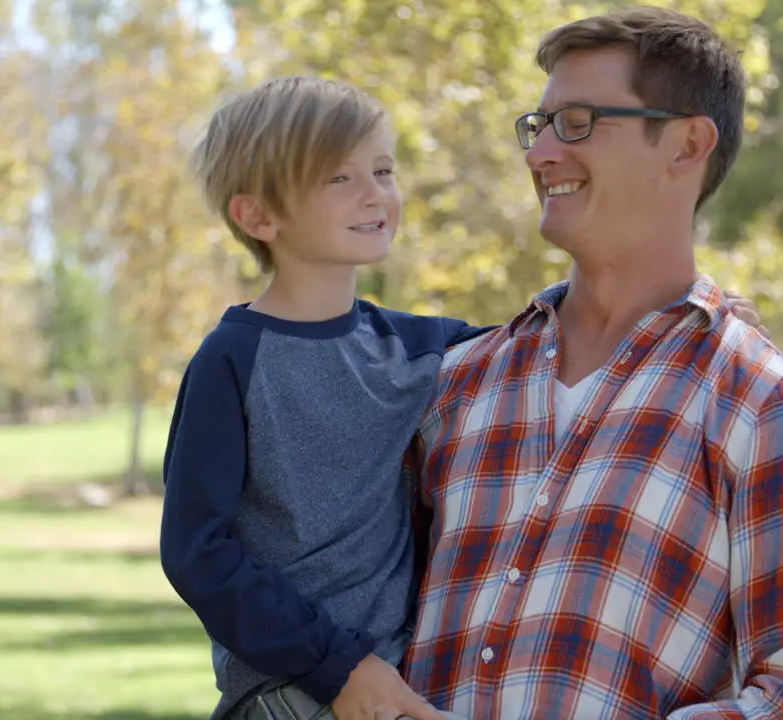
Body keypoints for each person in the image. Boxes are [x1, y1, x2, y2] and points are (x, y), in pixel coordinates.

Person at [401, 6, 783, 719]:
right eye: (539, 124)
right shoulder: (455, 387)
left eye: (578, 122)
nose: (539, 154)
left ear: (686, 145)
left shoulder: (770, 408)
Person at [157, 76, 480, 720]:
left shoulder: (418, 348)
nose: (375, 194)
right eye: (339, 178)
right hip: (290, 694)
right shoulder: (232, 359)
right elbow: (197, 552)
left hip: (401, 685)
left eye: (383, 170)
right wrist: (338, 665)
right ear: (258, 216)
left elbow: (552, 337)